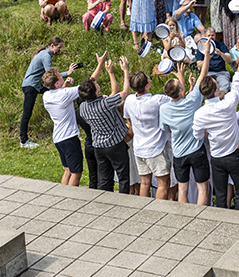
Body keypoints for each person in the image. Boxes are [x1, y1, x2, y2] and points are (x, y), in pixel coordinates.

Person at [193, 32, 239, 210]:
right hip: (235, 155)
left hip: (217, 156)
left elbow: (198, 135)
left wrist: (210, 131)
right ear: (217, 88)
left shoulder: (200, 114)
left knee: (220, 195)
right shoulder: (228, 103)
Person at [42, 52, 107, 186]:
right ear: (57, 82)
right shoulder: (65, 93)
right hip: (69, 137)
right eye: (61, 76)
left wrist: (64, 85)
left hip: (58, 138)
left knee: (67, 170)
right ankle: (71, 198)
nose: (63, 75)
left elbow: (59, 95)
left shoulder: (47, 96)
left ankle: (62, 195)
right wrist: (100, 63)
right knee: (76, 172)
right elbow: (90, 84)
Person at [160, 52, 212, 205]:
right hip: (196, 151)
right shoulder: (192, 101)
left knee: (182, 189)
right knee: (202, 188)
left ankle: (184, 217)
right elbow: (203, 74)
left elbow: (167, 129)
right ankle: (201, 216)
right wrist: (207, 54)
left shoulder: (164, 109)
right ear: (182, 90)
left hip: (179, 153)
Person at [79, 56, 132, 193]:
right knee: (123, 177)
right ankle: (124, 201)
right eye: (95, 85)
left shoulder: (83, 107)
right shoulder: (105, 103)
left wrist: (101, 65)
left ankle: (104, 202)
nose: (96, 83)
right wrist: (125, 70)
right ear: (96, 91)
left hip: (98, 146)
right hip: (115, 145)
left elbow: (90, 84)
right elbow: (125, 92)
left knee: (104, 179)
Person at [123, 70, 173, 199]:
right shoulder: (158, 100)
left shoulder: (129, 100)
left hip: (139, 148)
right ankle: (159, 210)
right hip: (155, 148)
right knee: (164, 183)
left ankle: (144, 210)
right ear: (146, 86)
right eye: (148, 79)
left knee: (144, 182)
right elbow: (177, 98)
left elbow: (127, 118)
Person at [20, 36, 77, 148]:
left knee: (56, 93)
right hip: (31, 86)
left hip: (35, 85)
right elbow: (50, 76)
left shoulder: (45, 53)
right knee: (27, 113)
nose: (60, 50)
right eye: (59, 47)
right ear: (52, 46)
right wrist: (67, 73)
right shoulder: (46, 55)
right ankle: (23, 141)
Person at [196, 27, 233, 92]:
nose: (211, 37)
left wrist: (221, 54)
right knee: (205, 87)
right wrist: (208, 56)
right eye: (209, 35)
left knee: (224, 85)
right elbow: (199, 66)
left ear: (215, 36)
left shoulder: (221, 45)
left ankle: (221, 97)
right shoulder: (201, 47)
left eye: (212, 35)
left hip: (221, 72)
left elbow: (229, 60)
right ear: (205, 36)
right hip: (207, 72)